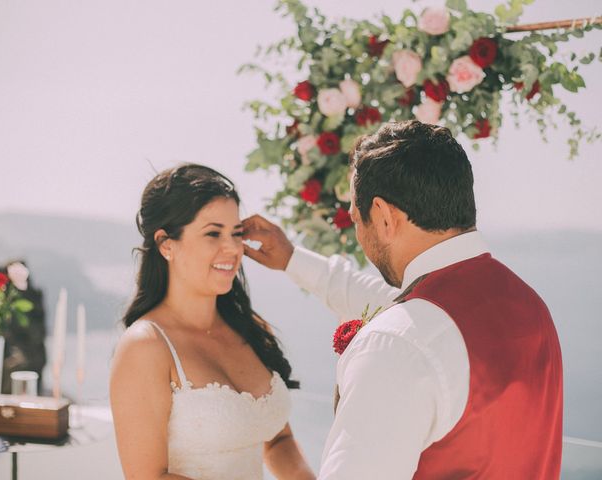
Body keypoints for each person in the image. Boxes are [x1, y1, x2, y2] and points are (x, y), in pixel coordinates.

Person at [243, 120, 563, 479]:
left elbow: (408, 330)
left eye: (356, 220)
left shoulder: (396, 343)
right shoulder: (529, 306)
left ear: (382, 216)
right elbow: (392, 305)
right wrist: (291, 258)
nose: (359, 234)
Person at [110, 164, 315, 480]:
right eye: (213, 233)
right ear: (166, 243)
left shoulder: (252, 330)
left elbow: (277, 440)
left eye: (236, 233)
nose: (232, 248)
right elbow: (148, 477)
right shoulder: (146, 346)